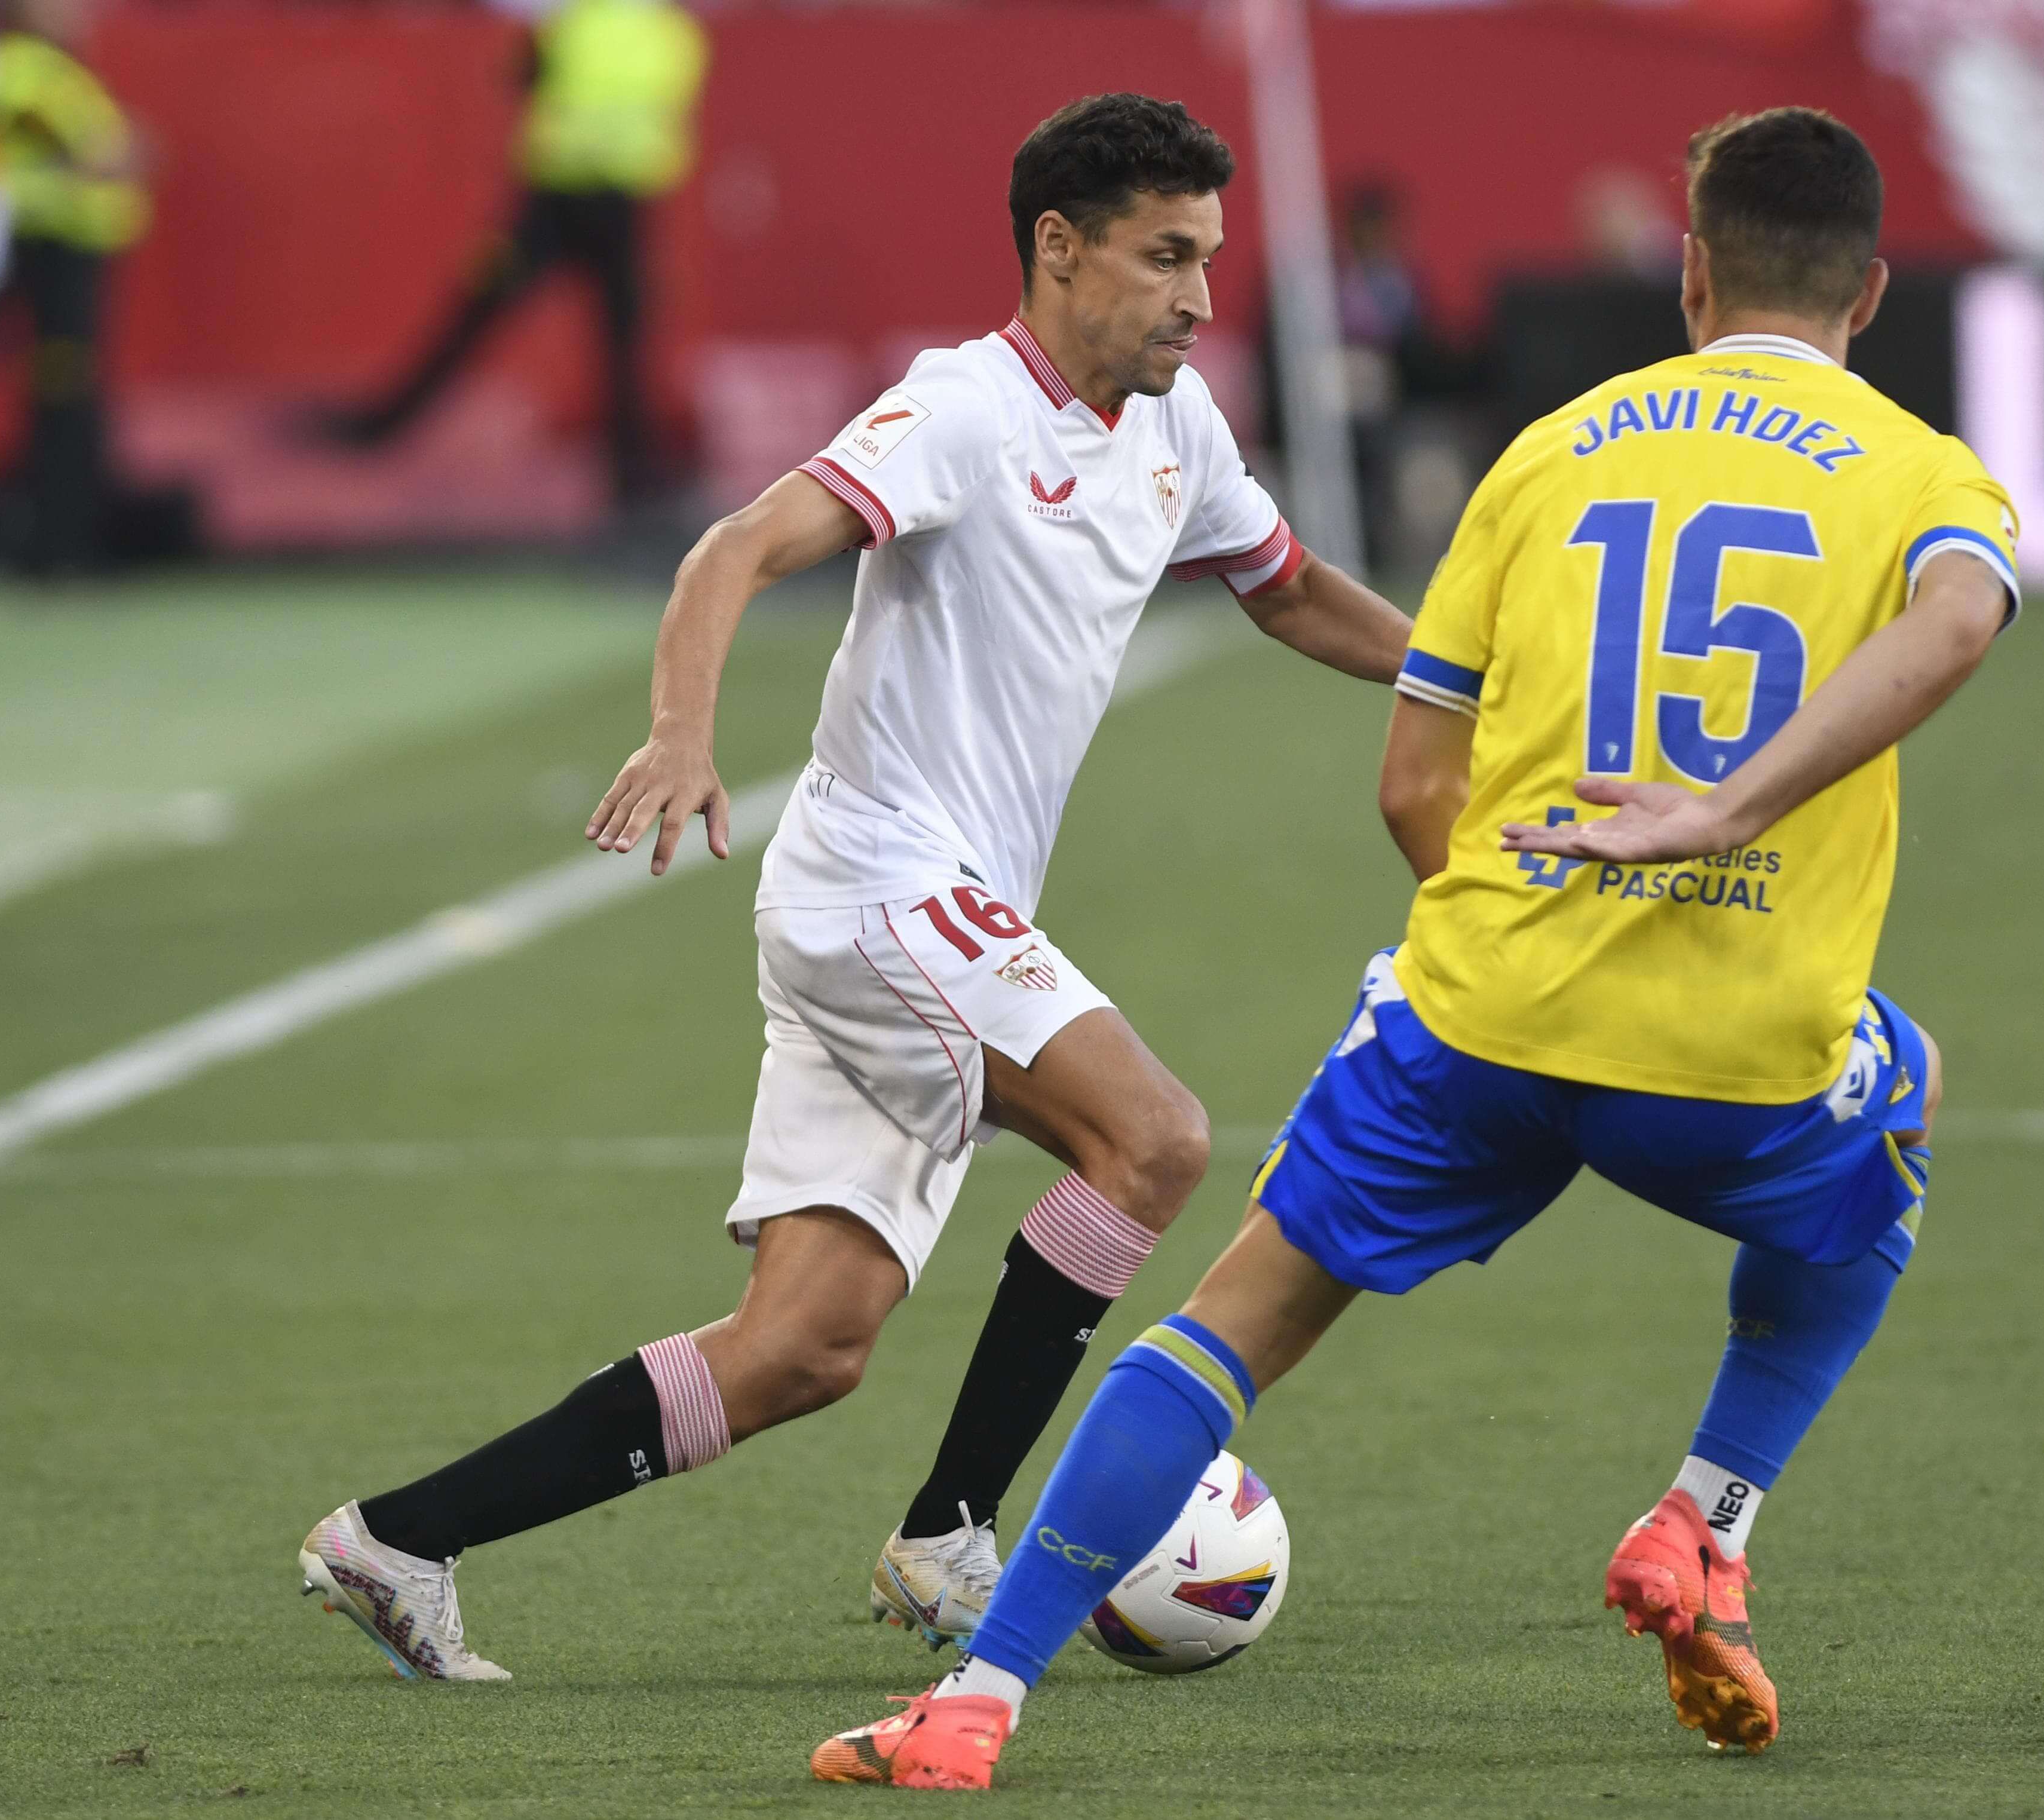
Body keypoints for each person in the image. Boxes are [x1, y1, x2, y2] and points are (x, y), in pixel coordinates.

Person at [810, 106, 2021, 1790]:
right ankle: (1705, 1516)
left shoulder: (1548, 453)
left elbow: (1412, 783)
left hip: (1484, 1019)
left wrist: (1542, 926)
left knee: (1230, 1318)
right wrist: (1724, 811)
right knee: (1907, 1083)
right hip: (1733, 1049)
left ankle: (975, 1701)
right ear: (1871, 292)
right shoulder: (1919, 471)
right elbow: (1962, 614)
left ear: (1687, 273)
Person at [295, 93, 1411, 1683]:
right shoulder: (961, 409)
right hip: (880, 880)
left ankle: (394, 1538)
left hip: (920, 914)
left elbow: (1287, 590)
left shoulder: (1175, 428)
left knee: (800, 1348)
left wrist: (1468, 677)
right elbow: (733, 547)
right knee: (1150, 1135)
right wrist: (683, 733)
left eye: (1208, 261)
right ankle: (955, 1529)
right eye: (1166, 258)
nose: (1199, 298)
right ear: (1058, 246)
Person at [316, 0, 706, 509]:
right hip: (621, 208)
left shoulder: (573, 22)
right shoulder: (676, 35)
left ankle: (381, 428)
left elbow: (522, 77)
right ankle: (631, 481)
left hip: (552, 202)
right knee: (624, 346)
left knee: (476, 315)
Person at [0, 0, 148, 575]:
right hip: (52, 251)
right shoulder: (22, 70)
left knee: (68, 398)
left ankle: (62, 537)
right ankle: (55, 543)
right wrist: (125, 154)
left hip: (69, 254)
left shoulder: (53, 71)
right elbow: (102, 157)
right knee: (62, 400)